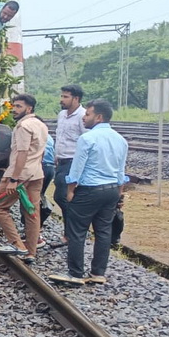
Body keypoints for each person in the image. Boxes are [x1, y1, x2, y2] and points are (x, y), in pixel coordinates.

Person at [49, 99, 128, 286]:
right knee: (103, 232)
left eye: (88, 114)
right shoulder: (120, 139)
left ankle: (75, 273)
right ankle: (98, 273)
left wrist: (70, 190)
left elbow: (76, 168)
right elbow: (121, 172)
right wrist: (120, 194)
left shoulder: (87, 138)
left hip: (89, 190)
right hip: (111, 191)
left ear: (98, 117)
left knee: (77, 231)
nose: (84, 117)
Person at [0, 94, 48, 263]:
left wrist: (14, 179)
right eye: (13, 106)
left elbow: (22, 153)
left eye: (18, 106)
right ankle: (31, 252)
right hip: (36, 173)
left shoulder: (23, 126)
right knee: (32, 212)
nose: (14, 110)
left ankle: (18, 244)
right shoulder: (41, 125)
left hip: (19, 175)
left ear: (29, 108)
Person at [53, 84, 87, 242]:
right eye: (62, 96)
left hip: (73, 162)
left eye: (65, 97)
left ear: (76, 98)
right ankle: (72, 231)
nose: (62, 100)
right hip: (61, 161)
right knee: (62, 197)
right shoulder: (62, 115)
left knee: (62, 197)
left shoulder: (83, 116)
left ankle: (72, 232)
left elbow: (86, 142)